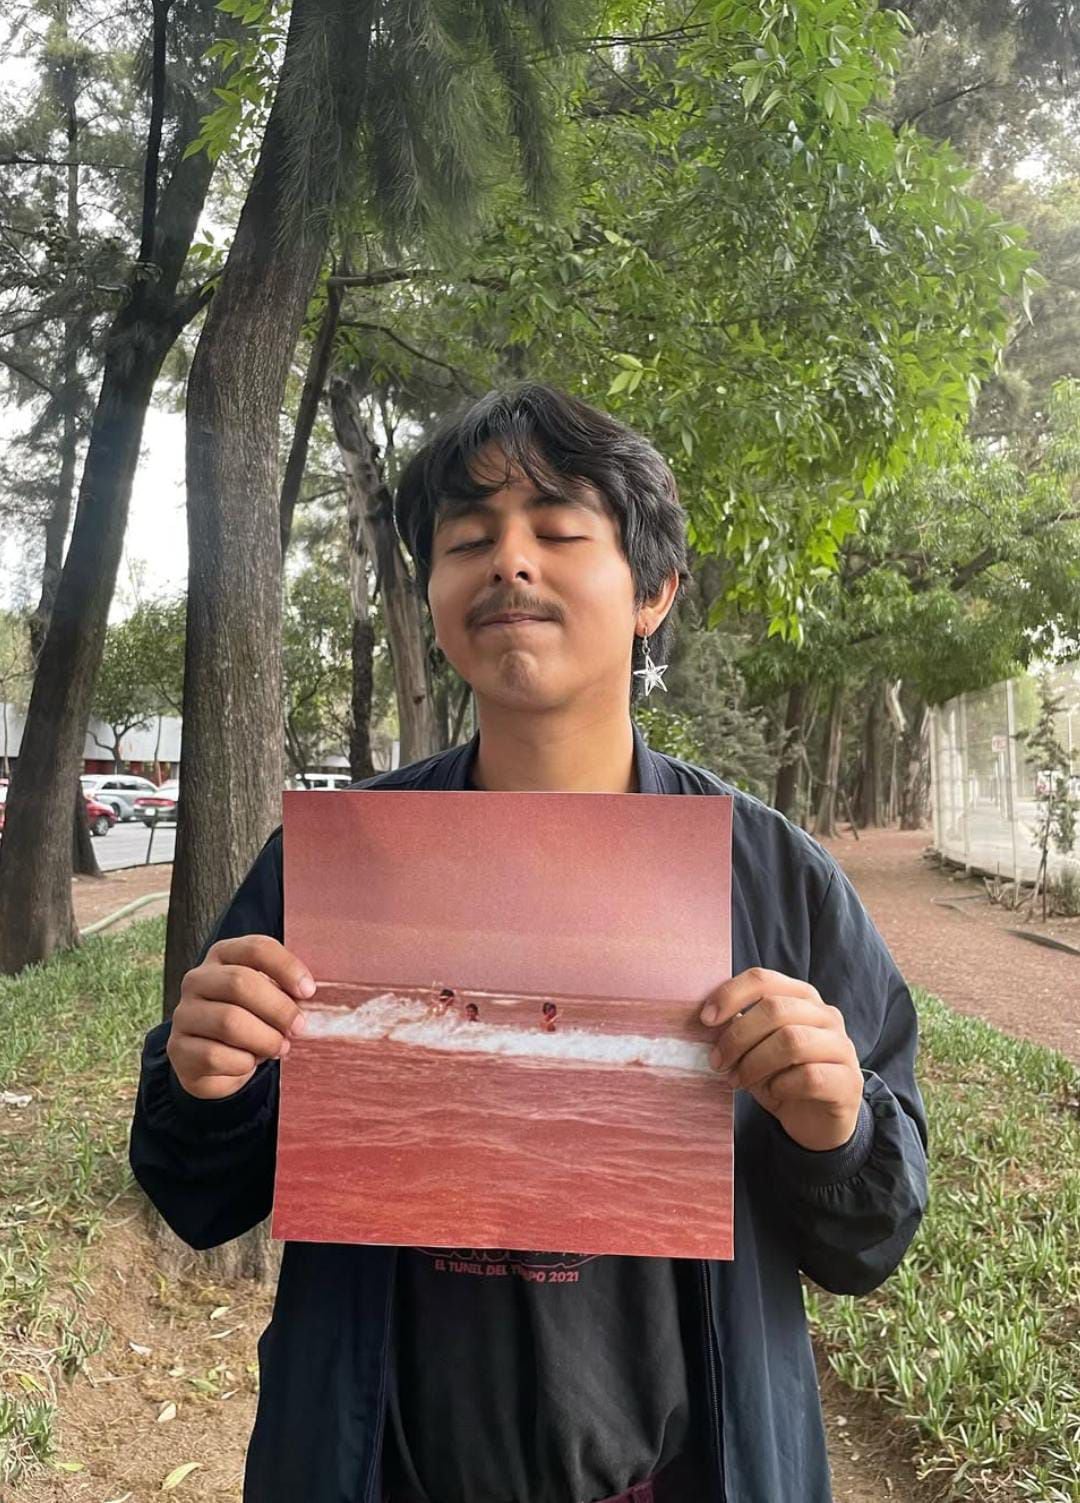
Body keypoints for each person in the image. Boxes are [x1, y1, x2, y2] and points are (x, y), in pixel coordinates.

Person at [130, 383, 927, 1503]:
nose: (509, 563)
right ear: (438, 593)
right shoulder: (337, 864)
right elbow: (199, 1195)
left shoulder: (777, 880)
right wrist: (204, 1084)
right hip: (378, 1473)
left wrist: (835, 1129)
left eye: (558, 531)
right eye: (468, 541)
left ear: (654, 592)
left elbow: (869, 1242)